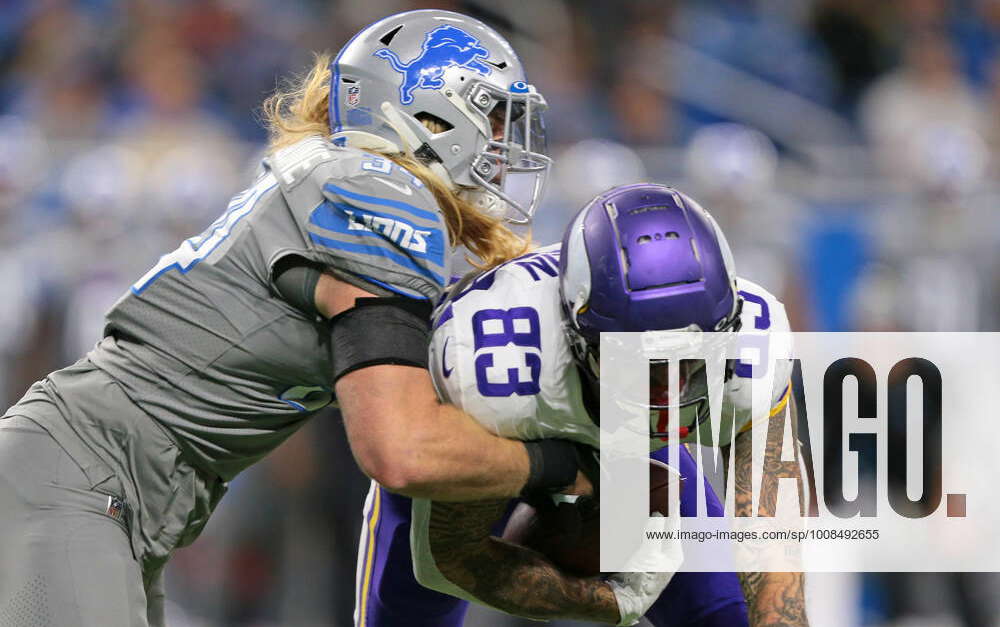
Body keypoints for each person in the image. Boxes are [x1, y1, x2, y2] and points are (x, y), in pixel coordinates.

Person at [0, 10, 592, 626]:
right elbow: (402, 451)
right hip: (83, 477)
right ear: (431, 114)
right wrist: (562, 468)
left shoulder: (349, 178)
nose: (504, 142)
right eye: (492, 116)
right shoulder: (378, 193)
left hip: (107, 488)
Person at [355, 183, 810, 626]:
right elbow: (448, 560)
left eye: (688, 360)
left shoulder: (753, 349)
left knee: (727, 615)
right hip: (497, 441)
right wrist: (602, 603)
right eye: (640, 362)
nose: (665, 388)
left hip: (627, 435)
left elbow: (771, 546)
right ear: (576, 338)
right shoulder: (497, 372)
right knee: (408, 610)